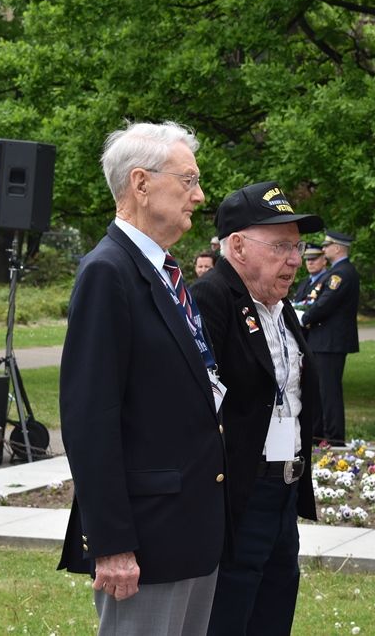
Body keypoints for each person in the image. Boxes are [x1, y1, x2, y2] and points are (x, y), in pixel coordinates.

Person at [57, 121, 226, 636]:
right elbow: (90, 417)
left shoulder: (163, 272)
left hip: (188, 526)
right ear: (141, 183)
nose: (200, 195)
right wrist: (110, 543)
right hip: (146, 536)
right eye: (189, 180)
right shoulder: (109, 272)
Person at [190, 181, 322, 635]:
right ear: (238, 247)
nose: (294, 259)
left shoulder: (279, 306)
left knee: (276, 602)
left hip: (282, 486)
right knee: (231, 609)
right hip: (241, 493)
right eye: (281, 246)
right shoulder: (212, 297)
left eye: (298, 246)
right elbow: (201, 402)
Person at [300, 230, 359, 445]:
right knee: (321, 390)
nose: (324, 249)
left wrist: (303, 318)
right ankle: (321, 432)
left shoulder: (341, 274)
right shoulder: (338, 271)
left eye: (327, 245)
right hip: (325, 340)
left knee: (329, 391)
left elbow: (325, 303)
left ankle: (334, 437)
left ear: (338, 247)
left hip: (330, 341)